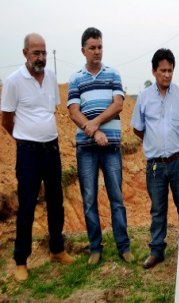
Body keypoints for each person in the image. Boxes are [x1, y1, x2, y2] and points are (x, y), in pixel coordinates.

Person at [1, 33, 74, 282]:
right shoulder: (13, 82)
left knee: (56, 202)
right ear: (25, 54)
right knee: (28, 206)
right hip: (28, 152)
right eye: (36, 53)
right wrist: (23, 138)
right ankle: (21, 260)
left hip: (51, 149)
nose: (41, 57)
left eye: (43, 52)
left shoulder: (51, 77)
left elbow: (50, 110)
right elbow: (6, 120)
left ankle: (57, 249)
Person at [68, 27, 132, 265]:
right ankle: (95, 247)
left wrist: (93, 124)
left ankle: (123, 246)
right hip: (86, 148)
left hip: (112, 146)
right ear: (83, 50)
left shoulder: (113, 74)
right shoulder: (75, 78)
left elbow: (118, 105)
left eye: (100, 47)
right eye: (92, 48)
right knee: (89, 198)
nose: (97, 51)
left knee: (116, 196)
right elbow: (74, 112)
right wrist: (94, 133)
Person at [131, 48, 179, 269]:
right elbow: (138, 129)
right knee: (158, 209)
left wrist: (173, 144)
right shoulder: (143, 97)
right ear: (154, 71)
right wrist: (155, 144)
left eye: (170, 70)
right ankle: (157, 251)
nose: (167, 75)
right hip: (155, 165)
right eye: (162, 70)